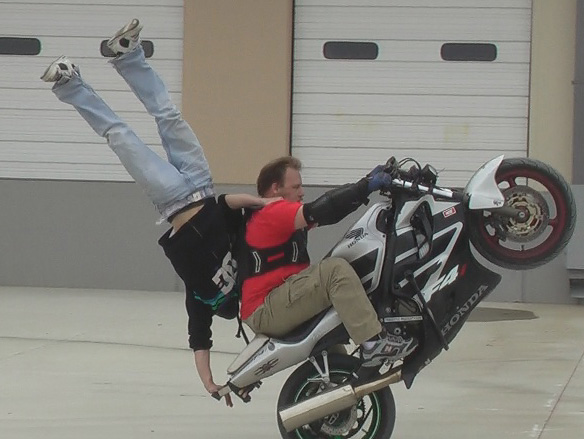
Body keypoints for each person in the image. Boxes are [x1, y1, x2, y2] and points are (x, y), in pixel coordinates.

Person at [41, 19, 269, 407]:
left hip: (173, 199)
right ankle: (127, 55)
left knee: (120, 136)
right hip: (202, 182)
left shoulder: (205, 297)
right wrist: (266, 204)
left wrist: (211, 383)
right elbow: (230, 205)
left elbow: (199, 339)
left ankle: (68, 83)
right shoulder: (252, 264)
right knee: (169, 115)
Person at [240, 156, 416, 368]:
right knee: (334, 271)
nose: (302, 192)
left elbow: (331, 213)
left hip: (279, 300)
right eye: (296, 187)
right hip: (265, 308)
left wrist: (365, 184)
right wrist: (366, 185)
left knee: (337, 361)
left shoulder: (280, 216)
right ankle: (372, 343)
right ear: (275, 188)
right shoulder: (271, 212)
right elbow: (321, 209)